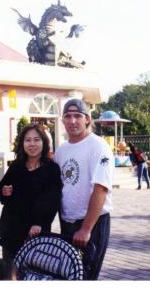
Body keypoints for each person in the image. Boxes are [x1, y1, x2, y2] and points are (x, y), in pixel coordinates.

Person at [53, 98, 114, 280]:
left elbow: (101, 189)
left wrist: (86, 229)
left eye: (77, 116)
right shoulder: (61, 150)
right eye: (68, 116)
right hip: (68, 223)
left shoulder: (98, 146)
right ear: (62, 120)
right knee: (69, 276)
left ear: (87, 119)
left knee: (85, 277)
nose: (72, 121)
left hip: (91, 224)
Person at [0, 123, 62, 261]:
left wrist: (40, 223)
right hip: (11, 231)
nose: (32, 144)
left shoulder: (51, 169)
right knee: (10, 275)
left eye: (36, 140)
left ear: (44, 142)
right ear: (22, 143)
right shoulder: (16, 166)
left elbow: (53, 200)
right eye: (28, 140)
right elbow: (1, 190)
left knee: (33, 273)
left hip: (35, 233)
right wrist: (4, 191)